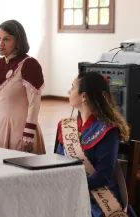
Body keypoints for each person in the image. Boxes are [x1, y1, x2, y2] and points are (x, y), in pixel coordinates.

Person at [56, 72, 137, 217]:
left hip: (97, 197)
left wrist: (74, 186)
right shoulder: (66, 126)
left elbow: (103, 175)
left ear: (84, 96)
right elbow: (56, 162)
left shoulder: (108, 130)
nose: (69, 91)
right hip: (69, 191)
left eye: (72, 87)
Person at [0, 19, 45, 154]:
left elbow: (34, 103)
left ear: (18, 41)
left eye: (6, 39)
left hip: (19, 128)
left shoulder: (29, 64)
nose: (0, 44)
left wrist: (29, 133)